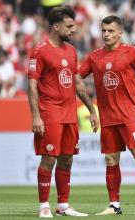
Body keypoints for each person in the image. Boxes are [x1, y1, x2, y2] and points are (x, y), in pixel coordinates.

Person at [78, 15, 135, 215]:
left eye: (110, 31)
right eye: (103, 30)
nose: (106, 34)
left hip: (130, 115)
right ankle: (114, 205)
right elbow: (77, 78)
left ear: (120, 32)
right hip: (108, 117)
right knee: (111, 160)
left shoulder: (132, 52)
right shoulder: (94, 57)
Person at [27, 6, 99, 218]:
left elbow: (77, 83)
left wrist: (91, 109)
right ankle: (43, 206)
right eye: (69, 26)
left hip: (69, 114)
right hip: (50, 112)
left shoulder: (71, 51)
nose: (73, 30)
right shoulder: (40, 51)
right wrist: (36, 116)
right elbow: (31, 85)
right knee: (49, 157)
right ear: (56, 27)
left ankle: (63, 205)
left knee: (67, 158)